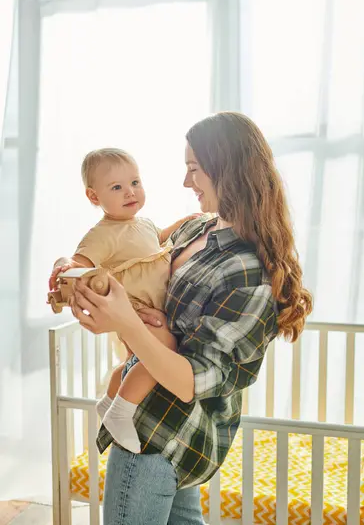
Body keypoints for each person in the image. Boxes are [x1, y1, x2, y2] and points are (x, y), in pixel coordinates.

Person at [69, 112, 313, 525]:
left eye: (194, 170)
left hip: (161, 436)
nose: (186, 183)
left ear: (228, 170)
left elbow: (190, 381)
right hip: (162, 431)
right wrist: (77, 284)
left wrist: (126, 321)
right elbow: (130, 259)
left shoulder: (247, 273)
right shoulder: (195, 230)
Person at [49, 147, 197, 453]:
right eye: (116, 187)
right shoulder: (103, 235)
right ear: (94, 197)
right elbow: (78, 263)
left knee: (138, 361)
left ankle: (108, 401)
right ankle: (121, 412)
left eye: (135, 182)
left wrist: (186, 222)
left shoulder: (141, 223)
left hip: (156, 308)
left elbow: (157, 239)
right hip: (136, 311)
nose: (130, 192)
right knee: (163, 351)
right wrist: (64, 264)